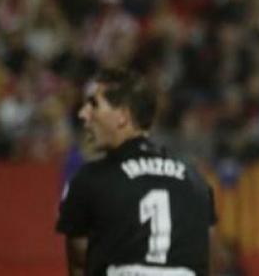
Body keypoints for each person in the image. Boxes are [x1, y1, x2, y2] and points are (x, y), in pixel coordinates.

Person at [56, 68, 217, 276]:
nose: (83, 113)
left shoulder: (90, 180)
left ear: (122, 116)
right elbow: (209, 256)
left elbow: (79, 262)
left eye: (94, 104)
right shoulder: (196, 181)